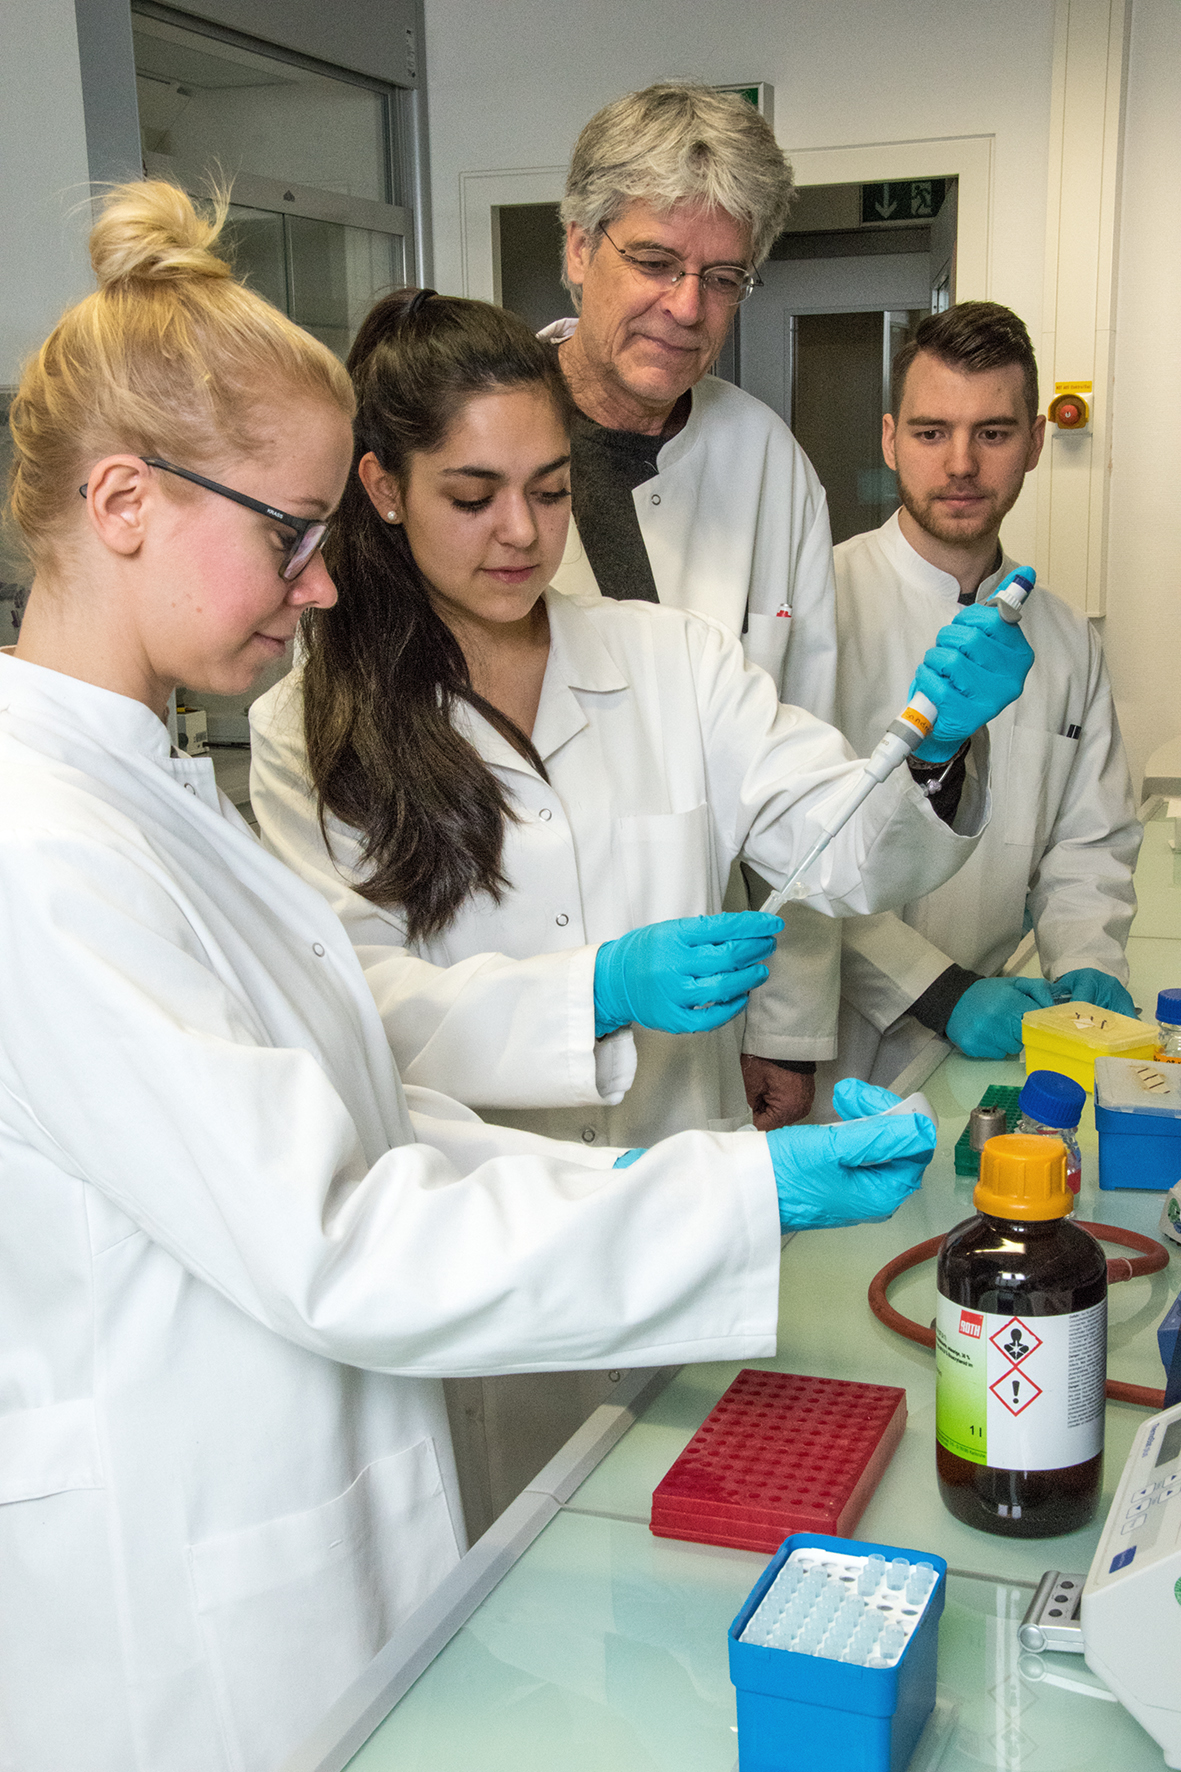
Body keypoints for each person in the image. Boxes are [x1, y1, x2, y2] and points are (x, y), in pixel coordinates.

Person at [0, 181, 953, 1772]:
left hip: (344, 1472)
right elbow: (335, 1229)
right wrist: (723, 1194)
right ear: (123, 504)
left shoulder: (137, 788)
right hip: (188, 1597)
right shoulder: (43, 850)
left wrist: (706, 1176)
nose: (321, 585)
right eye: (294, 537)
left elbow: (364, 1112)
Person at [249, 288, 1034, 1156]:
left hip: (690, 1188)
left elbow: (842, 852)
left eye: (549, 492)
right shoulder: (308, 729)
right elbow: (358, 1004)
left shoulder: (675, 664)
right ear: (383, 487)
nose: (520, 533)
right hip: (478, 1217)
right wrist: (597, 990)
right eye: (474, 497)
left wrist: (937, 750)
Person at [545, 83, 842, 1130]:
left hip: (709, 1013)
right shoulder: (466, 441)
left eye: (721, 278)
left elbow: (802, 779)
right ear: (578, 244)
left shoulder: (765, 461)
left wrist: (786, 1024)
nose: (686, 308)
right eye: (656, 262)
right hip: (517, 1001)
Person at [825, 302, 1141, 1093]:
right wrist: (936, 990)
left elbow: (1087, 843)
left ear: (1034, 442)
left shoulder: (1065, 641)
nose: (960, 463)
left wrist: (1085, 962)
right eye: (932, 433)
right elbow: (785, 856)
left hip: (997, 1046)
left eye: (992, 433)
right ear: (891, 438)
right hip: (839, 1045)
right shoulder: (820, 609)